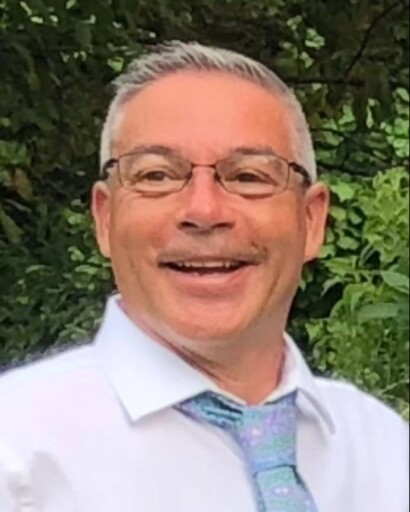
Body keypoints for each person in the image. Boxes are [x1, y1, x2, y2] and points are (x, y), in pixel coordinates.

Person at [0, 41, 407, 512]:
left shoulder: (384, 449)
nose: (204, 210)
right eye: (157, 176)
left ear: (312, 220)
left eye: (249, 176)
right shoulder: (16, 452)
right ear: (105, 219)